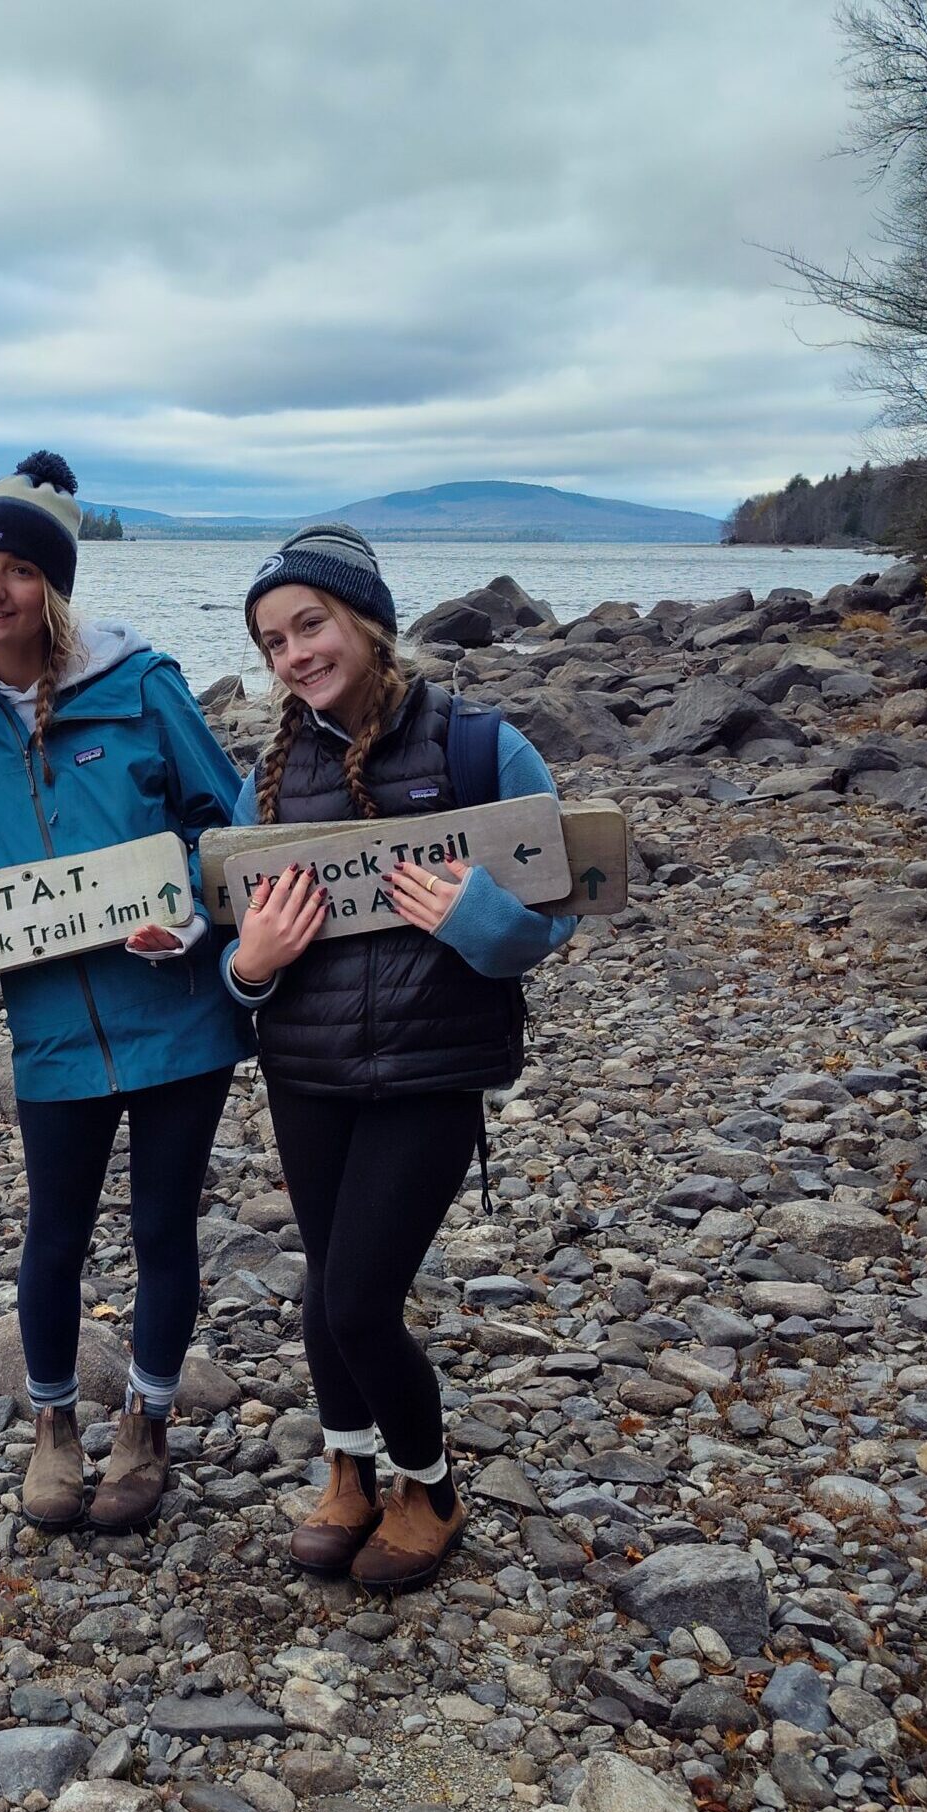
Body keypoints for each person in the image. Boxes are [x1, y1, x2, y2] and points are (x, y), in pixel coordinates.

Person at [0, 452, 254, 1533]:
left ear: (54, 589)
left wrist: (189, 910)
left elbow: (228, 826)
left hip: (180, 1010)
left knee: (161, 1229)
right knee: (52, 1232)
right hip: (53, 1026)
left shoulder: (142, 687)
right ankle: (53, 1426)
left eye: (17, 569)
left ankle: (145, 1423)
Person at [223, 524, 577, 1591]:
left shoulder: (479, 747)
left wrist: (478, 916)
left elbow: (552, 921)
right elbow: (237, 961)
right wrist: (251, 963)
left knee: (361, 1299)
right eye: (274, 641)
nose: (294, 655)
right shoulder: (271, 778)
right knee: (324, 1287)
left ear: (367, 624)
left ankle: (428, 1486)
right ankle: (348, 1470)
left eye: (311, 625)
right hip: (308, 1071)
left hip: (430, 1068)